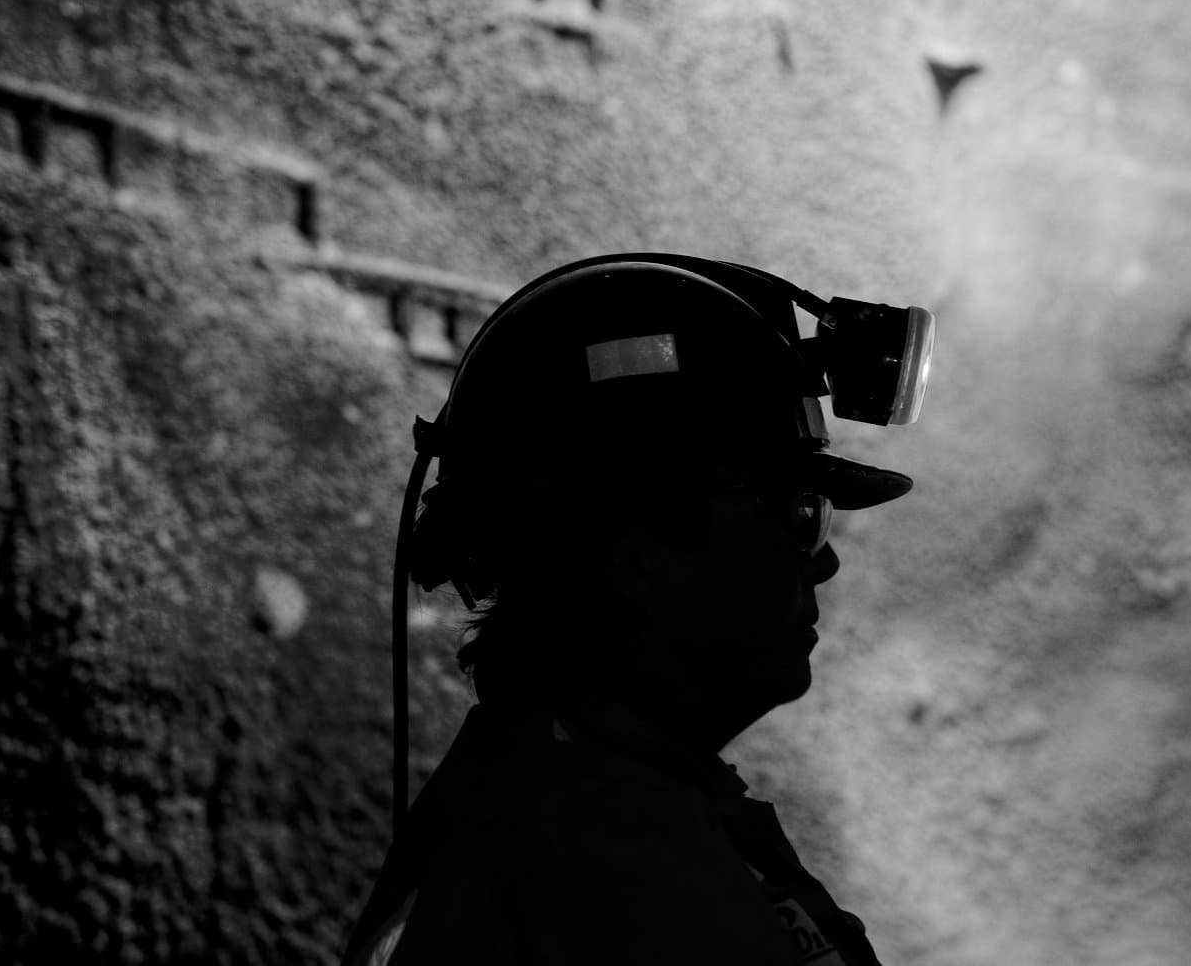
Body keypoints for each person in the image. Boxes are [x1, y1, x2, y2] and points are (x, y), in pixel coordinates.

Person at [342, 256, 928, 965]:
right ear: (634, 549)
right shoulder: (596, 856)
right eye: (797, 514)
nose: (823, 560)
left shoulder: (603, 802)